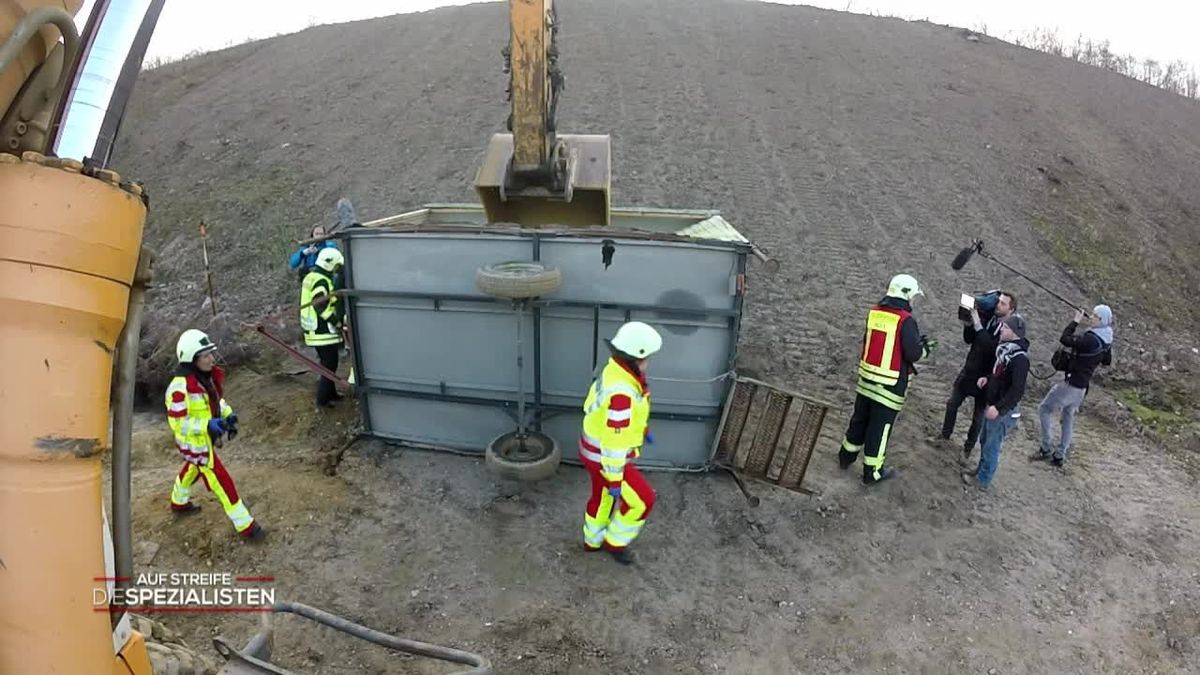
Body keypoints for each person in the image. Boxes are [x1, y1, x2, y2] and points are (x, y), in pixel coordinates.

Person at [165, 329, 265, 541]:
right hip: (196, 444)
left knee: (192, 467)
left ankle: (179, 502)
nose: (212, 359)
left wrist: (228, 416)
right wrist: (207, 426)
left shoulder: (204, 379)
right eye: (205, 355)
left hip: (203, 442)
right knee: (222, 481)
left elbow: (215, 401)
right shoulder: (179, 388)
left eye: (210, 353)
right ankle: (246, 525)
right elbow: (177, 423)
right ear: (192, 359)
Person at [838, 273, 936, 485]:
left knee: (859, 419)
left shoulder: (874, 312)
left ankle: (845, 457)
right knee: (879, 430)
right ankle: (872, 473)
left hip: (866, 379)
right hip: (890, 386)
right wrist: (925, 349)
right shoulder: (906, 320)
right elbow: (913, 354)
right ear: (907, 294)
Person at [579, 321, 662, 565]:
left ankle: (591, 541)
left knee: (602, 497)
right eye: (648, 357)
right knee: (642, 501)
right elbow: (614, 441)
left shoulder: (615, 371)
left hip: (592, 451)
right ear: (636, 357)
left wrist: (641, 428)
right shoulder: (622, 394)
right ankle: (615, 543)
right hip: (607, 459)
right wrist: (615, 479)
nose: (649, 362)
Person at [939, 291, 1017, 461]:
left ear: (1011, 309)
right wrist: (969, 323)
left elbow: (990, 348)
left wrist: (977, 323)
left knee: (978, 418)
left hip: (987, 379)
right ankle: (944, 437)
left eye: (1003, 304)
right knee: (952, 403)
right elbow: (970, 340)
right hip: (970, 370)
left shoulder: (1009, 331)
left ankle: (967, 449)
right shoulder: (989, 318)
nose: (998, 305)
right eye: (998, 301)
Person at [1033, 304, 1114, 467]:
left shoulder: (1091, 339)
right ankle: (1060, 454)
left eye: (1095, 316)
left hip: (1071, 384)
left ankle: (1046, 447)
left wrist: (1075, 321)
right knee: (1068, 417)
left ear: (1102, 320)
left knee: (1045, 409)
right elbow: (1107, 360)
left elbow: (1065, 339)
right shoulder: (1106, 338)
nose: (1091, 317)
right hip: (1082, 388)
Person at [962, 314, 1030, 490]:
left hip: (1003, 411)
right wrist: (987, 378)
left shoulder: (1020, 359)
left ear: (1015, 332)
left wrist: (999, 409)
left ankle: (983, 481)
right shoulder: (1006, 351)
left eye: (1006, 328)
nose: (1001, 330)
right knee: (985, 441)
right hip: (994, 405)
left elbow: (1017, 390)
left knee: (992, 445)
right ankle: (981, 470)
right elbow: (1000, 375)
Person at [301, 247, 346, 408]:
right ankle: (323, 400)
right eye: (336, 267)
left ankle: (331, 394)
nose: (336, 270)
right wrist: (336, 321)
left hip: (312, 329)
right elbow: (321, 306)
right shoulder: (321, 280)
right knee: (329, 365)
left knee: (327, 364)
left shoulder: (311, 276)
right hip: (322, 331)